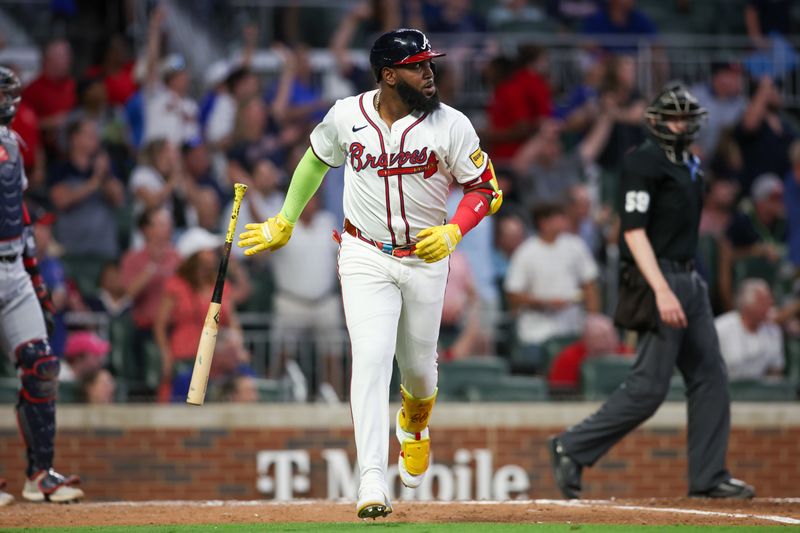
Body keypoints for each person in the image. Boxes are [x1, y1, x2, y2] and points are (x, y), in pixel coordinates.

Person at [237, 29, 503, 519]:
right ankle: (372, 478)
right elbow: (315, 160)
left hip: (426, 256)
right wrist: (285, 220)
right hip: (364, 254)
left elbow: (486, 189)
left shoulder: (452, 125)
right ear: (388, 75)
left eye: (429, 64)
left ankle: (415, 424)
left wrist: (454, 232)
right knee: (372, 356)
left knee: (420, 373)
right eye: (418, 65)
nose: (429, 73)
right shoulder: (346, 115)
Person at [548, 84, 755, 500]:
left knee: (711, 376)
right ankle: (571, 446)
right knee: (649, 388)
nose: (683, 124)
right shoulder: (642, 161)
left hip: (687, 275)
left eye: (687, 117)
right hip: (655, 276)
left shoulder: (692, 165)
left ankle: (709, 476)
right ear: (657, 121)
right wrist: (661, 288)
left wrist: (689, 282)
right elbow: (634, 230)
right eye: (675, 117)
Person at [0, 66, 83, 505]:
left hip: (12, 267)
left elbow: (21, 214)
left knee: (41, 364)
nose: (8, 102)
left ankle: (40, 474)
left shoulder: (13, 145)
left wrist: (35, 277)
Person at [715, 279, 784, 380]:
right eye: (763, 301)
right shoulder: (721, 327)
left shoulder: (773, 329)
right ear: (747, 304)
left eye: (770, 300)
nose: (770, 305)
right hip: (726, 387)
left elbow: (775, 371)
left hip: (759, 392)